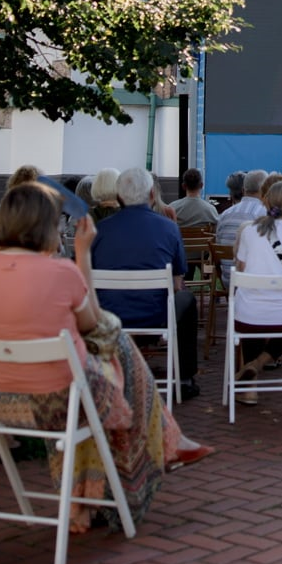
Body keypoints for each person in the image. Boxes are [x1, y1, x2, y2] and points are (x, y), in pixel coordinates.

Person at [0, 181, 209, 535]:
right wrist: (82, 255)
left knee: (102, 367)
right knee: (111, 358)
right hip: (58, 401)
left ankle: (86, 502)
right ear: (46, 225)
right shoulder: (60, 271)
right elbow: (95, 325)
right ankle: (165, 442)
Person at [89, 167, 200, 400]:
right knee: (186, 300)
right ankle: (184, 378)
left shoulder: (99, 231)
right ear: (152, 194)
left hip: (108, 316)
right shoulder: (168, 228)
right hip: (156, 315)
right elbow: (179, 280)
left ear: (119, 196)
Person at [230, 180, 282, 404]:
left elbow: (240, 270)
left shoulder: (248, 231)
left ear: (265, 202)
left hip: (247, 316)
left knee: (250, 310)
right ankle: (258, 364)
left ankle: (249, 389)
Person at [215, 169, 266, 251]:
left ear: (243, 190)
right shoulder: (265, 213)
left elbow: (217, 244)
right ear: (264, 190)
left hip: (225, 263)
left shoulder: (224, 215)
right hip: (250, 263)